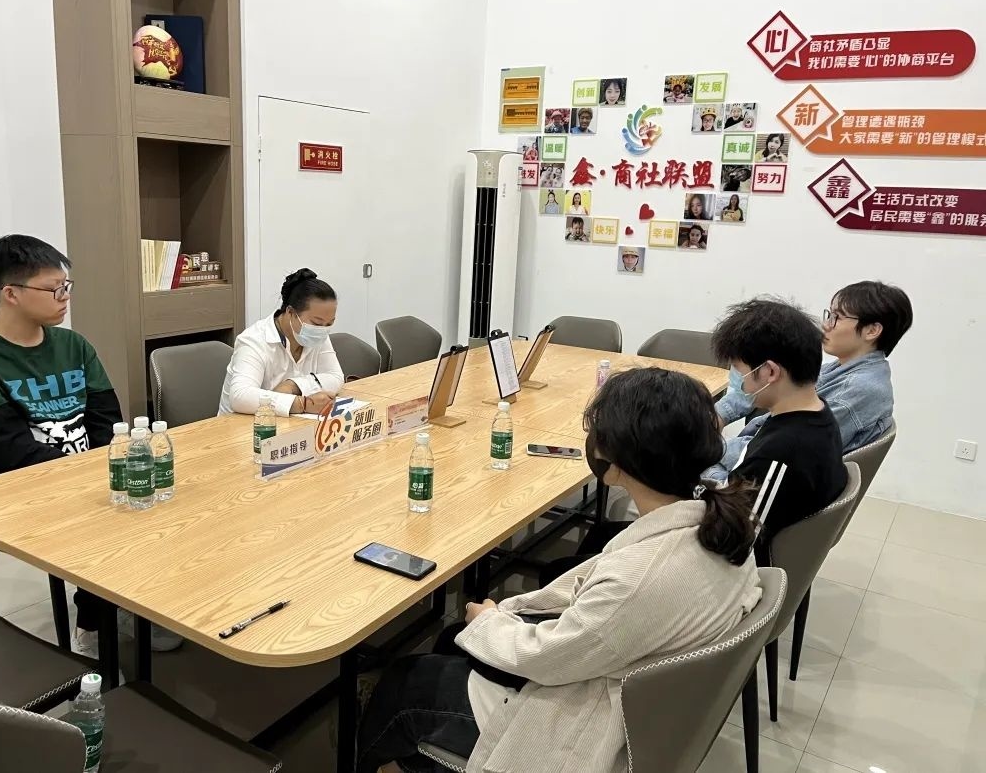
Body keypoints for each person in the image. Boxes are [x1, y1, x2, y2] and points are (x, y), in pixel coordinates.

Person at [354, 368, 762, 773]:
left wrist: (489, 620)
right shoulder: (723, 526)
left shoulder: (639, 578)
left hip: (583, 720)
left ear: (617, 458)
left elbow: (546, 657)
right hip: (636, 693)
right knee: (453, 640)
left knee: (405, 683)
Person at [0, 234, 129, 657]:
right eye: (54, 289)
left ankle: (130, 606)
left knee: (158, 495)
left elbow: (106, 421)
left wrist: (111, 470)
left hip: (87, 475)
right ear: (11, 294)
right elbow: (14, 453)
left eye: (67, 287)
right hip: (23, 488)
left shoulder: (73, 345)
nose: (65, 298)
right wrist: (95, 482)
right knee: (118, 516)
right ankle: (94, 622)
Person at [708, 298, 848, 562]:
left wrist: (700, 475)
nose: (737, 381)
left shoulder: (781, 453)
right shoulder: (816, 413)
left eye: (739, 371)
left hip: (743, 570)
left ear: (770, 372)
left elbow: (732, 545)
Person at [716, 281, 913, 463]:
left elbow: (777, 451)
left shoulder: (859, 390)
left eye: (836, 318)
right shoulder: (842, 368)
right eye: (829, 315)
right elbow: (765, 384)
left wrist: (708, 448)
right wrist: (718, 415)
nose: (825, 325)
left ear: (872, 330)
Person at [218, 268, 342, 416]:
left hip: (290, 423)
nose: (322, 330)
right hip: (242, 425)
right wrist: (303, 403)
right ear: (290, 312)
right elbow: (240, 397)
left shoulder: (318, 334)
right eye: (316, 323)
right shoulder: (254, 340)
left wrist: (292, 385)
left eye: (329, 324)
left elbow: (335, 376)